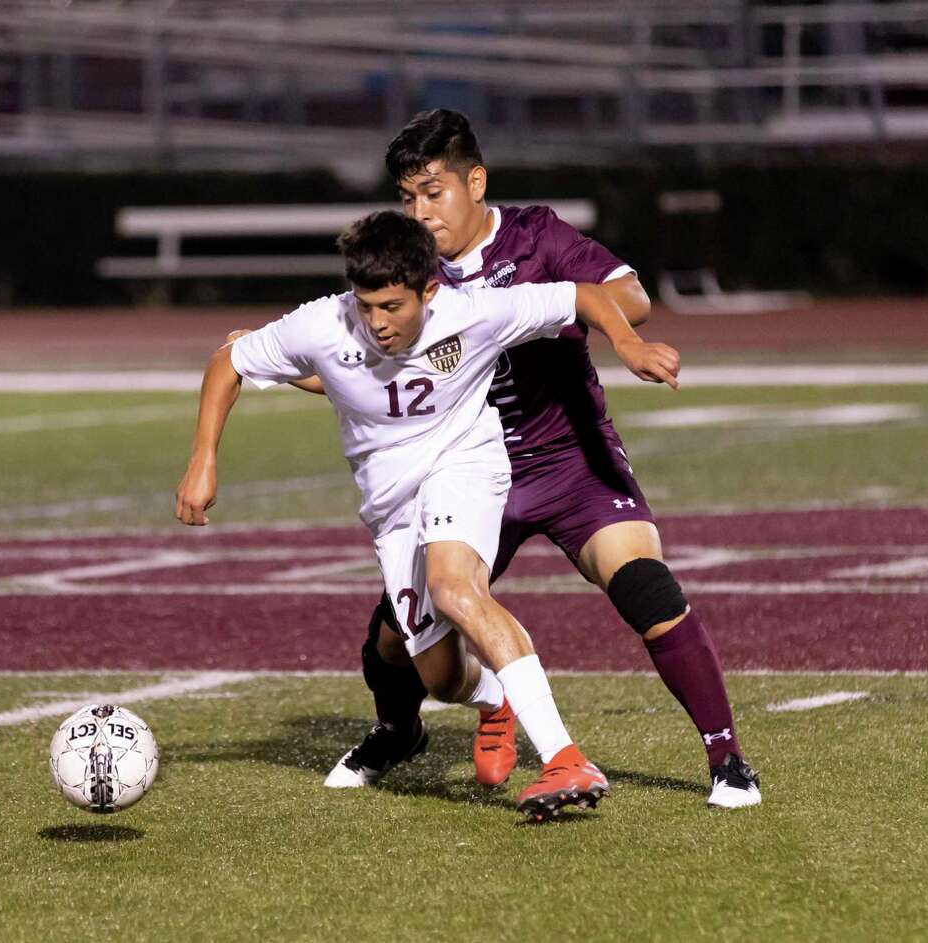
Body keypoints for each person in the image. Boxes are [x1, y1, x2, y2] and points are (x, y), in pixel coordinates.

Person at [319, 109, 761, 809]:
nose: (421, 211)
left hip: (566, 458)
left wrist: (527, 317)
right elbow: (348, 353)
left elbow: (631, 298)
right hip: (461, 468)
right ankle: (397, 730)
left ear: (476, 182)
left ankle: (728, 758)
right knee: (397, 635)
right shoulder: (407, 268)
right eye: (408, 198)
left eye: (434, 192)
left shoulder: (534, 237)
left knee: (645, 587)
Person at [177, 210, 681, 820]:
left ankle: (565, 757)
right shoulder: (323, 323)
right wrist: (203, 459)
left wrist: (628, 344)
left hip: (465, 465)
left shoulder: (473, 311)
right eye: (366, 307)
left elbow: (582, 295)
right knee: (440, 678)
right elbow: (228, 361)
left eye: (392, 306)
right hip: (391, 508)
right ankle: (496, 698)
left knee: (454, 589)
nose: (377, 323)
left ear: (430, 290)